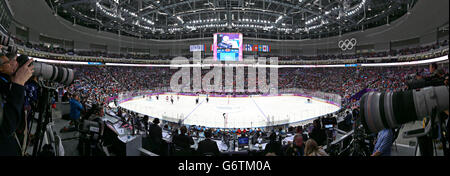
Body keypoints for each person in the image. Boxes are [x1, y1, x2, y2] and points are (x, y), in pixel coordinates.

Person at [0, 56, 34, 156]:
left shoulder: (5, 83)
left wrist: (16, 80)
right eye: (8, 62)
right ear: (1, 68)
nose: (12, 62)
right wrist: (18, 84)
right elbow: (7, 127)